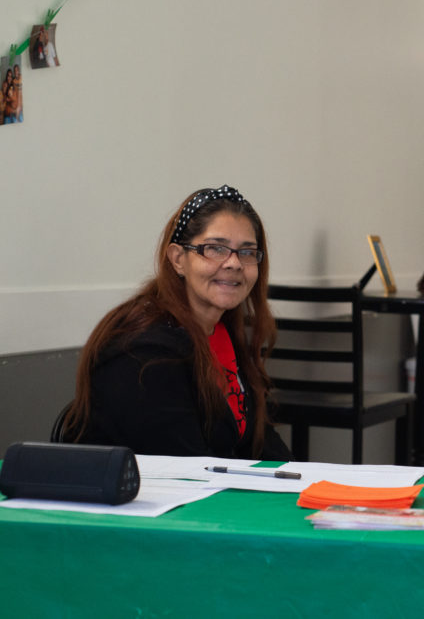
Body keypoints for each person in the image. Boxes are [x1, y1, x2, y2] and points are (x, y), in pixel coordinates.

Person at [65, 185, 291, 459]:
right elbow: (188, 471)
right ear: (178, 259)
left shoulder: (223, 333)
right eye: (215, 248)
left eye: (247, 252)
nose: (234, 263)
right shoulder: (145, 351)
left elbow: (260, 442)